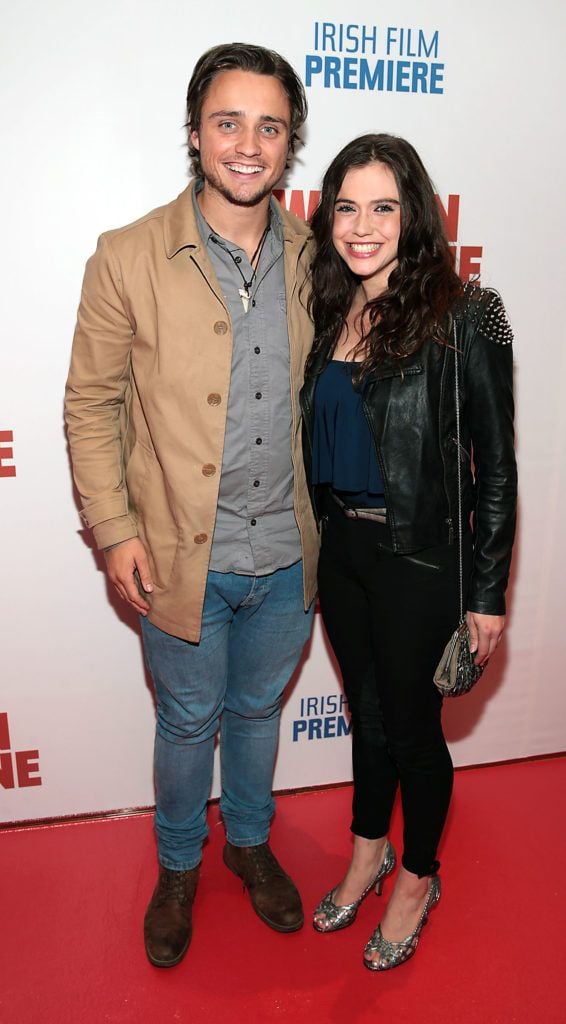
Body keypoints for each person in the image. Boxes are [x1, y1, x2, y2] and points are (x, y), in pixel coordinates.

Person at [65, 43, 318, 968]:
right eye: (228, 122)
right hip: (178, 554)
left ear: (289, 144)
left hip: (291, 551)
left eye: (269, 126)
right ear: (194, 132)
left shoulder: (320, 257)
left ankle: (247, 844)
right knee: (186, 721)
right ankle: (180, 866)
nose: (247, 144)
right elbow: (89, 406)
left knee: (257, 713)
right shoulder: (127, 256)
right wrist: (114, 532)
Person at [300, 134, 517, 970]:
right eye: (347, 207)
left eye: (383, 207)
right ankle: (368, 849)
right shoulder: (331, 305)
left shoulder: (467, 312)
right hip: (343, 557)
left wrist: (488, 594)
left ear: (415, 214)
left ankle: (419, 875)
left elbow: (496, 466)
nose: (362, 226)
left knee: (415, 733)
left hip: (421, 559)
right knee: (368, 718)